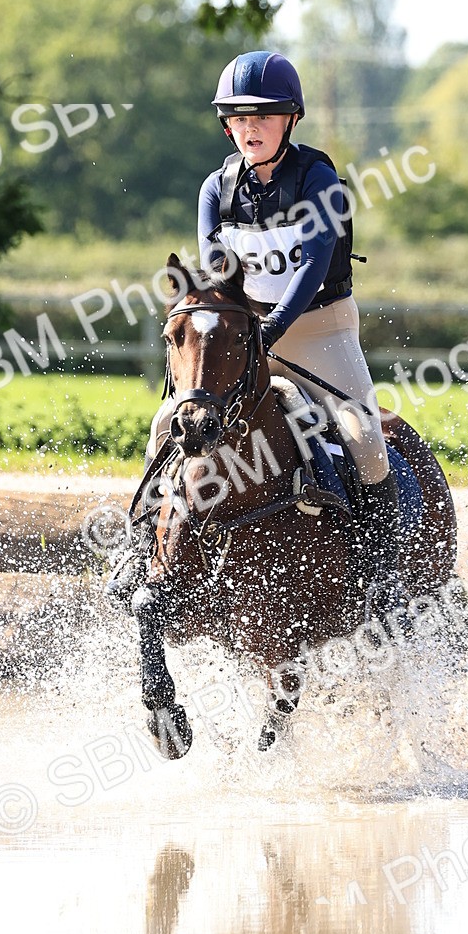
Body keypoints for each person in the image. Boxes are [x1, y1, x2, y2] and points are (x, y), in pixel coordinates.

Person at [111, 50, 409, 627]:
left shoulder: (319, 179)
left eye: (264, 116)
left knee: (363, 435)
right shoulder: (216, 190)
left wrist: (271, 331)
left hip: (319, 330)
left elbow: (315, 267)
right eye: (240, 118)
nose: (251, 127)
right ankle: (138, 548)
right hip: (243, 340)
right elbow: (220, 273)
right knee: (164, 427)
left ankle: (381, 572)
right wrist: (244, 335)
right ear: (228, 125)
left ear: (290, 120)